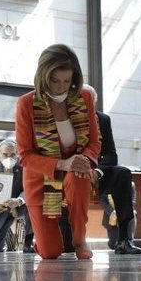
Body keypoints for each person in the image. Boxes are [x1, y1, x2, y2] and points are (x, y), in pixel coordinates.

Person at [15, 43, 101, 260]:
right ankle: (41, 241)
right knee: (50, 252)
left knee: (80, 175)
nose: (61, 87)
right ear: (44, 76)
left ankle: (79, 239)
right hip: (42, 179)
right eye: (54, 80)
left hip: (75, 172)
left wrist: (85, 159)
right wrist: (63, 164)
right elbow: (24, 155)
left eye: (67, 81)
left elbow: (94, 141)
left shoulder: (85, 97)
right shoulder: (26, 103)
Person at [82, 84, 141, 254]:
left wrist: (98, 171)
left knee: (123, 173)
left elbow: (111, 154)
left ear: (95, 102)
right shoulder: (68, 118)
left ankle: (125, 239)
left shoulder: (103, 120)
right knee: (65, 246)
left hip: (99, 173)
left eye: (90, 101)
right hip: (74, 171)